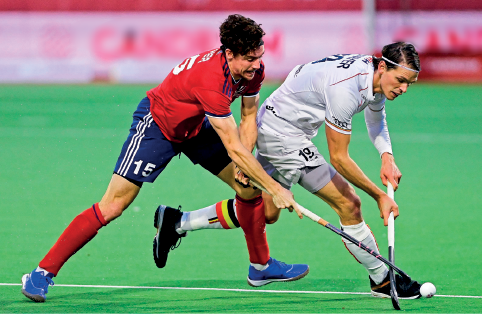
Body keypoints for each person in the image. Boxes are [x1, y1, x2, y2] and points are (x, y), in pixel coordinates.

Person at [21, 14, 309, 303]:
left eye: (260, 56)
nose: (257, 64)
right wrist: (276, 188)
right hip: (158, 126)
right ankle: (42, 272)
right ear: (229, 53)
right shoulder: (212, 80)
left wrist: (248, 169)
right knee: (114, 205)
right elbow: (233, 148)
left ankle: (260, 267)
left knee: (248, 188)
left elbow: (248, 118)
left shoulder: (252, 71)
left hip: (196, 126)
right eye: (249, 58)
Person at [158, 42, 424, 297]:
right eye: (400, 80)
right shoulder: (346, 89)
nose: (403, 89)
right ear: (382, 68)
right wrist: (379, 195)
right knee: (349, 203)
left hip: (275, 120)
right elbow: (339, 158)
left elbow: (376, 116)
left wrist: (386, 155)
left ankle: (177, 222)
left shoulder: (371, 74)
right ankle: (382, 279)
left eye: (408, 84)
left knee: (266, 212)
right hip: (284, 135)